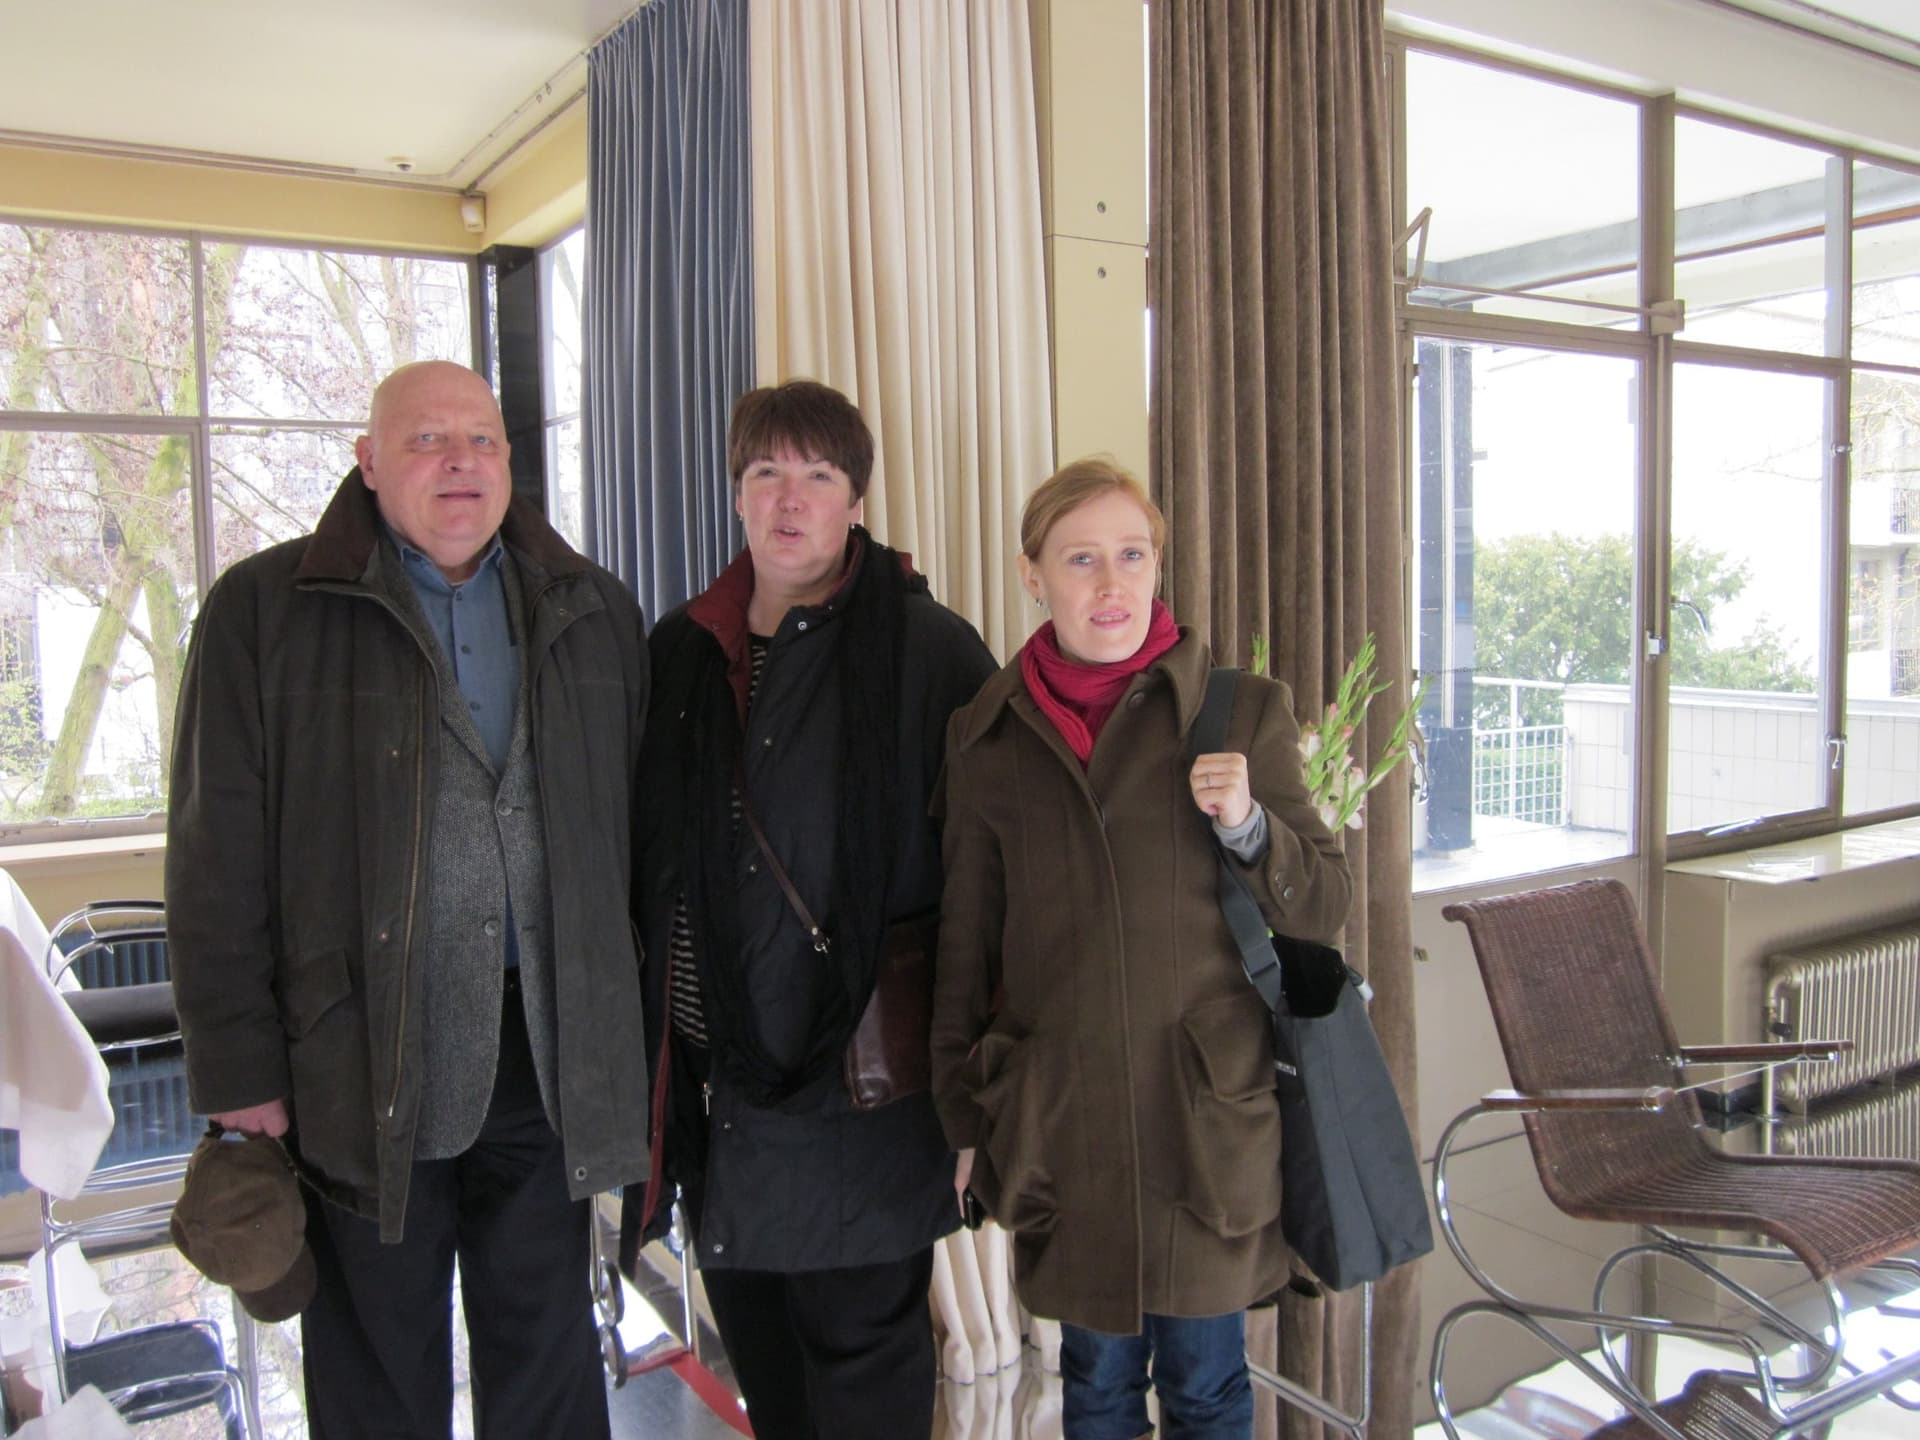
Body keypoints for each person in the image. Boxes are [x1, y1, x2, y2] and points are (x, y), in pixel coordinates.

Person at [166, 360, 650, 1439]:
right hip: (357, 1060)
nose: (459, 463)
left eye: (480, 440)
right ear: (369, 463)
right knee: (378, 1369)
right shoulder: (263, 611)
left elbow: (632, 842)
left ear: (510, 464)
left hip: (548, 1058)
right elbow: (212, 861)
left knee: (551, 1357)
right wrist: (239, 1077)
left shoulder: (593, 610)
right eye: (427, 441)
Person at [930, 457, 1354, 1440]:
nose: (1111, 584)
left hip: (1205, 1120)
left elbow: (1322, 903)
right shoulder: (986, 738)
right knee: (1096, 1384)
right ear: (1033, 574)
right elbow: (965, 941)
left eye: (1132, 554)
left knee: (1206, 1388)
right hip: (1063, 1119)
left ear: (1159, 564)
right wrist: (959, 1115)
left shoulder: (1241, 710)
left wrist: (1249, 824)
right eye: (1082, 559)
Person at [626, 379, 996, 1440]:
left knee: (866, 1369)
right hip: (719, 1101)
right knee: (769, 1370)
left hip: (867, 1100)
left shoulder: (930, 652)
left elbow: (989, 878)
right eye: (766, 474)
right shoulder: (681, 653)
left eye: (819, 477)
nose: (791, 501)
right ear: (736, 495)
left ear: (858, 503)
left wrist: (981, 1093)